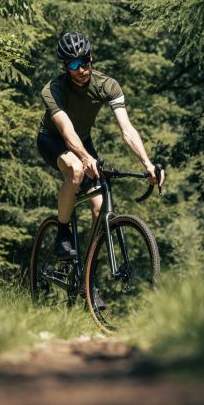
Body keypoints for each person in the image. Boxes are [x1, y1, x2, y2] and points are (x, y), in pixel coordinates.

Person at [36, 31, 165, 259]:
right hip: (52, 140)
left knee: (100, 207)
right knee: (76, 171)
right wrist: (85, 159)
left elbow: (127, 130)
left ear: (91, 58)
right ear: (65, 66)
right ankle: (63, 234)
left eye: (84, 61)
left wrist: (147, 164)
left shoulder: (108, 86)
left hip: (83, 141)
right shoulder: (52, 90)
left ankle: (88, 270)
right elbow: (66, 132)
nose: (80, 69)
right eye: (73, 64)